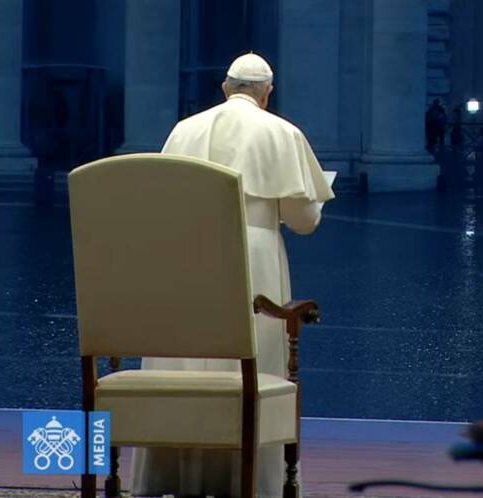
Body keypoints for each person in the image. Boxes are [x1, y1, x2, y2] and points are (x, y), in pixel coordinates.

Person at [129, 51, 335, 498]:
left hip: (187, 257)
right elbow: (304, 221)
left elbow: (160, 201)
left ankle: (173, 478)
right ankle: (247, 481)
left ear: (225, 88)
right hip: (254, 258)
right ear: (267, 94)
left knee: (183, 368)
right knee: (250, 365)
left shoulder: (185, 130)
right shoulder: (283, 133)